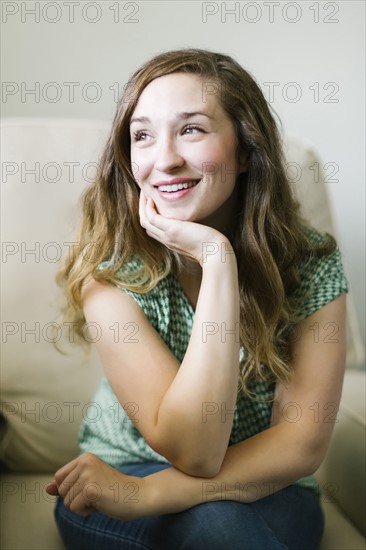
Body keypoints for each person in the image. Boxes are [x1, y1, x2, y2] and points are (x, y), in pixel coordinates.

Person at [46, 48, 349, 550]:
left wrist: (216, 257)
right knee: (222, 530)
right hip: (125, 473)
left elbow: (300, 445)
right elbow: (195, 450)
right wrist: (217, 260)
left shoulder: (311, 262)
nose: (164, 159)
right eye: (142, 135)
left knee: (228, 527)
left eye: (191, 129)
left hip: (265, 483)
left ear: (247, 150)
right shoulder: (110, 276)